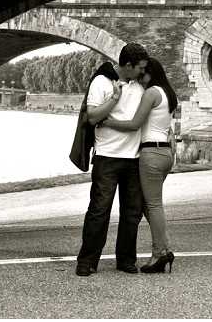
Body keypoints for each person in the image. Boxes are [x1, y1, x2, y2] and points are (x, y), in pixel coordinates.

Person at [75, 43, 149, 277]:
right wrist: (114, 99)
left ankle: (126, 260)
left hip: (134, 158)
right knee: (99, 210)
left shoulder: (140, 85)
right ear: (127, 65)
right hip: (107, 157)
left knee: (132, 212)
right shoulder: (101, 82)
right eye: (139, 68)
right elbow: (93, 116)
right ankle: (87, 261)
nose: (141, 72)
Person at [102, 57, 178, 273]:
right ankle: (164, 248)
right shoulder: (167, 93)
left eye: (143, 73)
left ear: (150, 73)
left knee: (153, 205)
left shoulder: (152, 92)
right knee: (148, 203)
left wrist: (108, 121)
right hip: (164, 153)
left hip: (151, 153)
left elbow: (135, 124)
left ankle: (159, 254)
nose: (139, 77)